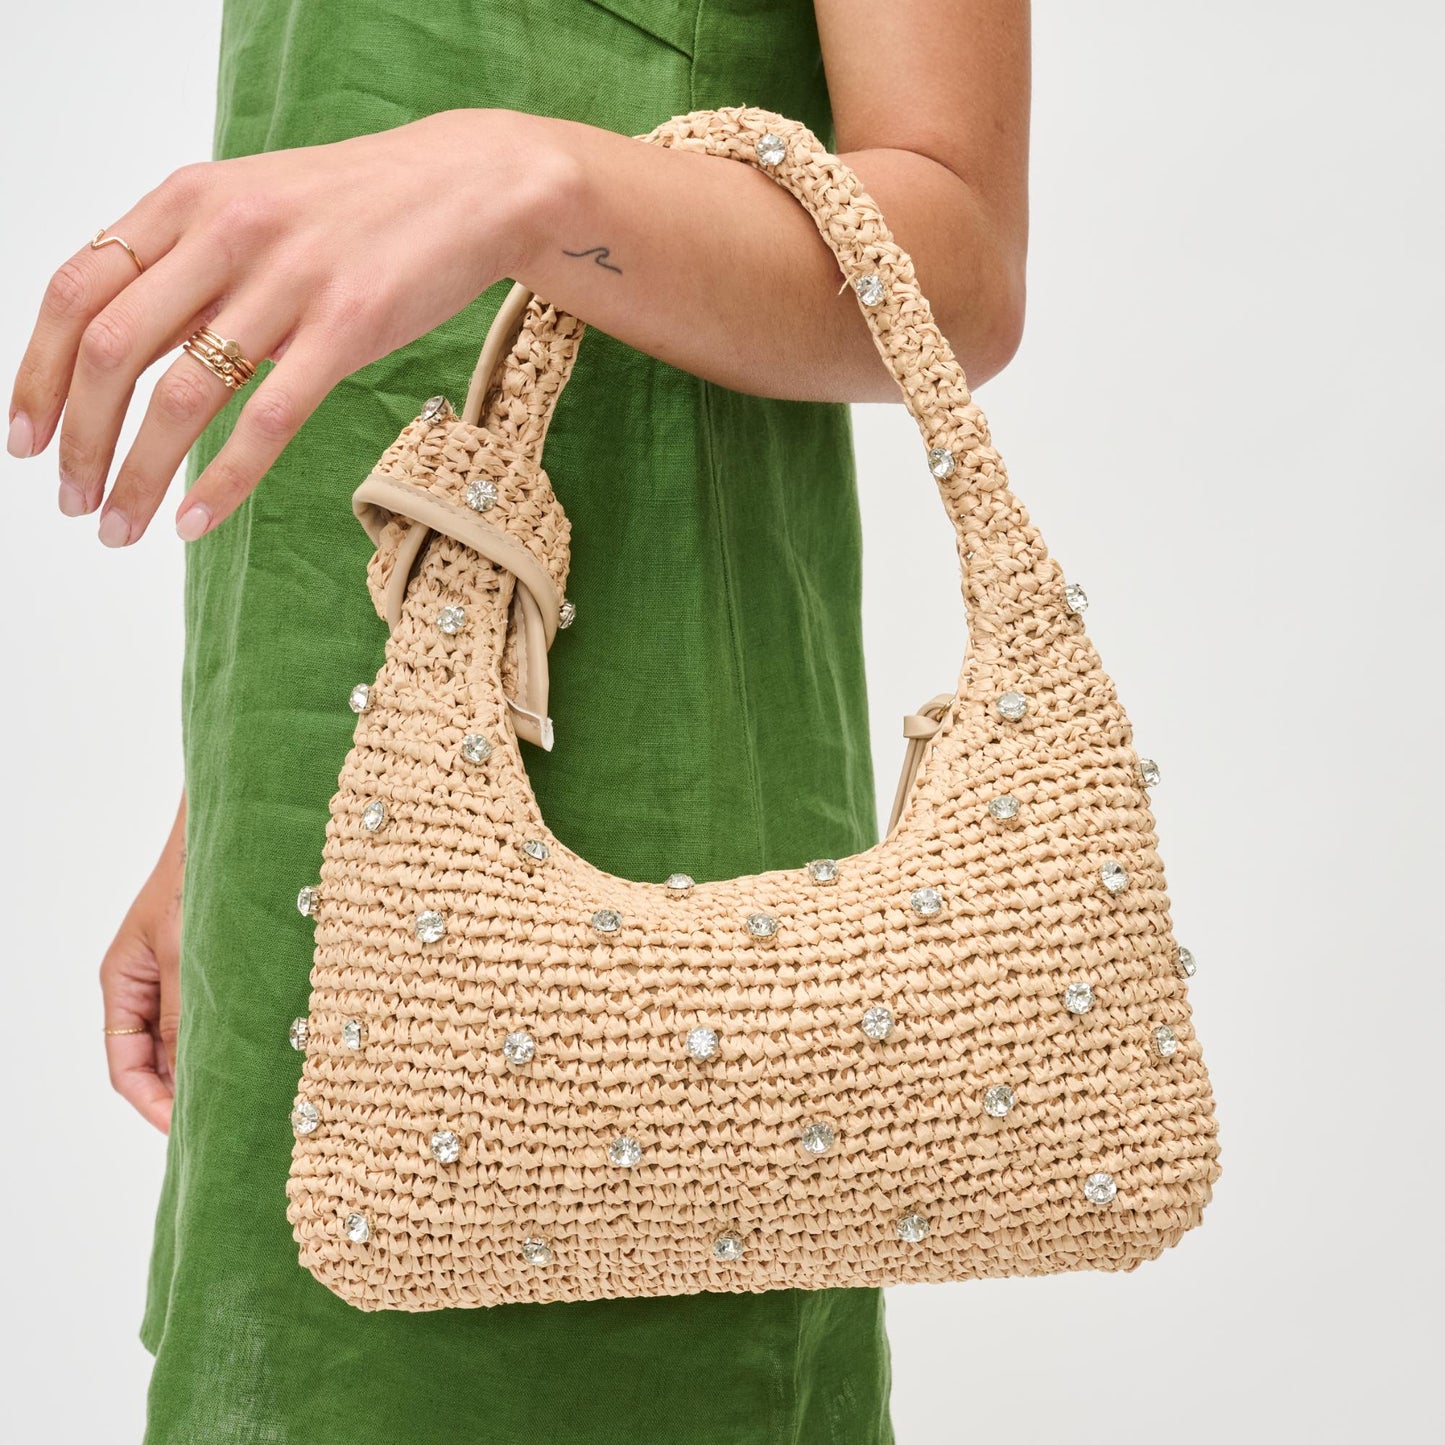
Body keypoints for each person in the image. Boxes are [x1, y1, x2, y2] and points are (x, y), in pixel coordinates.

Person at [7, 2, 1030, 1440]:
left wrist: (525, 183)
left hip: (640, 823)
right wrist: (227, 807)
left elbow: (959, 268)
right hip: (325, 800)